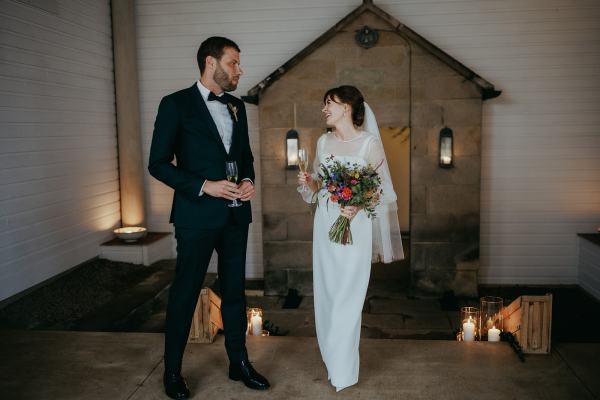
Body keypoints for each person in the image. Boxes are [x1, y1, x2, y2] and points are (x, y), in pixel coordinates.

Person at [148, 36, 270, 399]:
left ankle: (239, 363)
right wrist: (204, 185)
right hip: (196, 216)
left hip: (236, 215)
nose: (239, 70)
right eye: (233, 62)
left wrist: (248, 180)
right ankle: (172, 372)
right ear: (209, 62)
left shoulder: (237, 106)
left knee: (235, 292)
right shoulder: (175, 105)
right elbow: (157, 164)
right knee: (185, 293)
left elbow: (244, 157)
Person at [298, 85, 404, 392]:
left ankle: (343, 369)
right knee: (328, 292)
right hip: (326, 223)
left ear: (346, 107)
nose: (324, 109)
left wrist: (358, 204)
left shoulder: (369, 144)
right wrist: (309, 181)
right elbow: (319, 184)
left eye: (329, 103)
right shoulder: (323, 141)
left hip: (355, 226)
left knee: (348, 295)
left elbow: (384, 192)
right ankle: (334, 362)